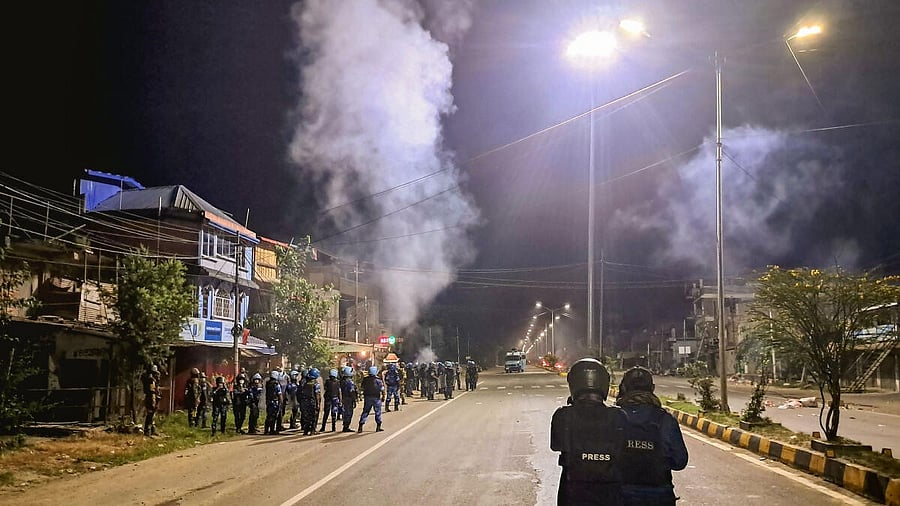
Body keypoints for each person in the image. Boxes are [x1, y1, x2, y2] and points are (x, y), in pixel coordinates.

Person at [550, 358, 628, 505]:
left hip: (573, 489)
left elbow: (555, 445)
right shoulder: (618, 416)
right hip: (610, 490)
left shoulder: (564, 415)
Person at [616, 366, 688, 505]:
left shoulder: (614, 416)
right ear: (652, 388)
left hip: (621, 493)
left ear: (623, 388)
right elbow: (680, 461)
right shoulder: (665, 419)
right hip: (659, 495)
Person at [358, 366, 385, 433]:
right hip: (376, 398)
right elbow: (382, 389)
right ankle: (378, 427)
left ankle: (361, 426)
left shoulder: (365, 379)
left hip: (367, 397)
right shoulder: (378, 380)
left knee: (365, 411)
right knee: (377, 412)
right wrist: (383, 396)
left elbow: (362, 388)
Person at [299, 368, 321, 435]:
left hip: (305, 402)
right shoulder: (315, 383)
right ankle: (312, 431)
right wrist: (318, 404)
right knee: (313, 417)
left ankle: (305, 431)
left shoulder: (305, 382)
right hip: (312, 401)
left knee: (307, 417)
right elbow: (317, 394)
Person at [142, 364, 161, 437]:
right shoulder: (151, 380)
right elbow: (152, 390)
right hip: (151, 397)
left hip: (151, 396)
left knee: (152, 414)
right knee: (150, 414)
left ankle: (152, 429)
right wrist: (154, 400)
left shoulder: (149, 378)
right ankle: (148, 430)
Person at [264, 370, 283, 435]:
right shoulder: (276, 384)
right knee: (274, 416)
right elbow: (279, 394)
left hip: (268, 402)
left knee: (268, 416)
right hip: (275, 402)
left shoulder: (268, 383)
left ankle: (266, 430)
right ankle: (272, 430)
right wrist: (281, 402)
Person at [339, 366, 358, 432]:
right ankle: (346, 427)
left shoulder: (341, 381)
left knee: (345, 412)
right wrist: (354, 400)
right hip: (349, 399)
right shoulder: (350, 382)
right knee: (349, 413)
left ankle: (345, 425)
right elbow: (352, 392)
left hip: (343, 398)